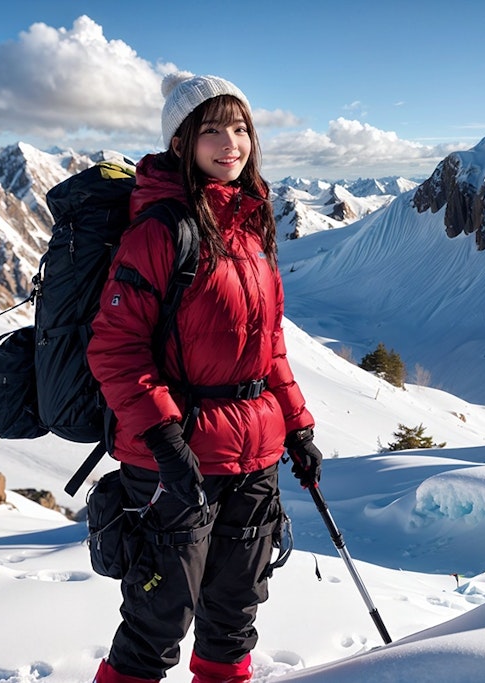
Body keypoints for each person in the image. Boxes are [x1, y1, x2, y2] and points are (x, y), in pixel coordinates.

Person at [88, 72, 324, 683]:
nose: (231, 142)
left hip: (254, 456)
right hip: (178, 461)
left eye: (240, 127)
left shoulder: (249, 225)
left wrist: (297, 428)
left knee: (233, 615)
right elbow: (115, 349)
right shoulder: (161, 231)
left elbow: (267, 345)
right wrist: (165, 443)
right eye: (212, 129)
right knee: (156, 622)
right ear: (180, 142)